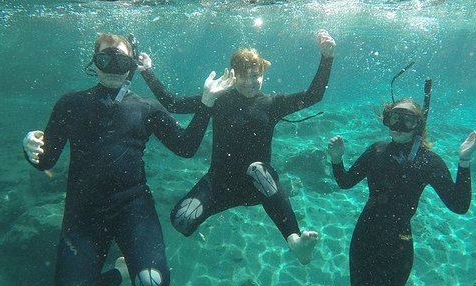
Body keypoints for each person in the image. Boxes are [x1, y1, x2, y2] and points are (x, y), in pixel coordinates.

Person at [22, 33, 233, 286]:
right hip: (82, 213)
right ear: (93, 64)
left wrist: (207, 102)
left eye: (120, 60)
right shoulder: (69, 103)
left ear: (131, 65)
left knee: (154, 285)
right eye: (104, 58)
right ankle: (120, 273)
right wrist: (29, 146)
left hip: (133, 207)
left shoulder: (146, 108)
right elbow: (45, 161)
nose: (112, 66)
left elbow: (186, 148)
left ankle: (129, 268)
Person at [139, 30, 336, 264]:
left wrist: (327, 58)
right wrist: (147, 71)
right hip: (219, 184)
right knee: (180, 220)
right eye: (244, 76)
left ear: (263, 73)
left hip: (258, 184)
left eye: (256, 76)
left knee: (257, 168)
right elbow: (173, 103)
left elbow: (313, 96)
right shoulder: (218, 98)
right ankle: (200, 222)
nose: (251, 82)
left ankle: (294, 240)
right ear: (233, 75)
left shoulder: (272, 103)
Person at [327, 97, 476, 286]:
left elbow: (459, 205)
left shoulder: (428, 161)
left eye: (408, 120)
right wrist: (337, 160)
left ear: (418, 125)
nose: (399, 126)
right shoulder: (376, 151)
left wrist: (464, 161)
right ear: (386, 120)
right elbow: (345, 182)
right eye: (394, 118)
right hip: (363, 239)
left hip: (398, 245)